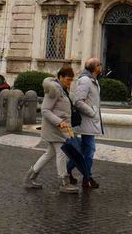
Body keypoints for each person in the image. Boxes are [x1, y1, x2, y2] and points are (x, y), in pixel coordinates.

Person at [23, 66, 85, 194]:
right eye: (68, 79)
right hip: (54, 128)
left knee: (49, 154)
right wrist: (60, 122)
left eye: (71, 80)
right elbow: (45, 110)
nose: (69, 82)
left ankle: (30, 178)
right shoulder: (54, 89)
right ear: (61, 77)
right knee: (61, 152)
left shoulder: (63, 89)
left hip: (59, 128)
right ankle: (63, 182)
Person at [67, 57, 105, 189]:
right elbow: (78, 101)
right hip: (86, 122)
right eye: (99, 64)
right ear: (95, 68)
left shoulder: (93, 81)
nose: (101, 66)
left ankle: (69, 171)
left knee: (84, 151)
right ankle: (87, 178)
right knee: (90, 150)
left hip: (90, 122)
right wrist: (92, 113)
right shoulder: (85, 81)